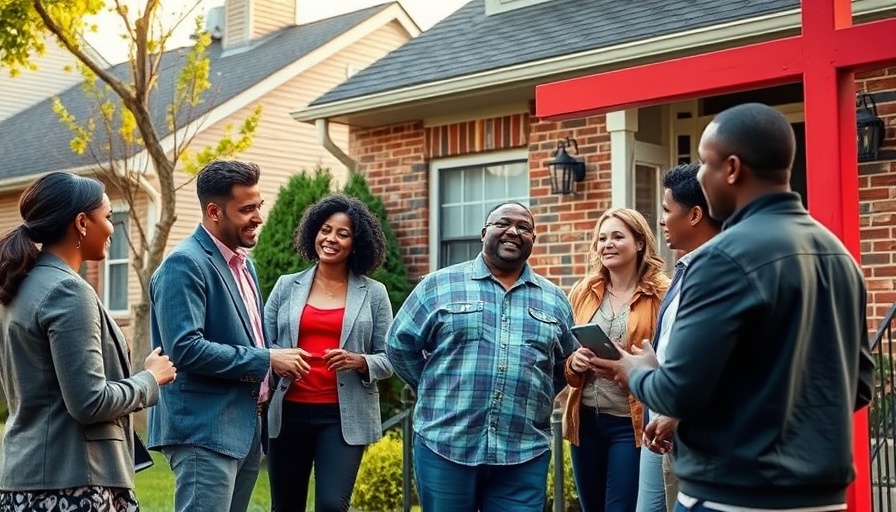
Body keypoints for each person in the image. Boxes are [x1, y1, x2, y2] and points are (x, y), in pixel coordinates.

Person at [592, 103, 875, 511]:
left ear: (732, 168)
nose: (702, 179)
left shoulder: (721, 259)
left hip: (731, 494)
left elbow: (677, 393)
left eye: (705, 164)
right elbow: (859, 386)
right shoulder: (839, 256)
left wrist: (638, 371)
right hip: (822, 498)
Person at [0, 172, 176, 511]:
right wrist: (150, 380)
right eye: (108, 217)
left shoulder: (19, 286)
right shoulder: (68, 291)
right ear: (82, 223)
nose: (113, 228)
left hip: (24, 483)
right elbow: (89, 402)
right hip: (73, 486)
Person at [387, 201, 577, 512]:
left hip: (523, 451)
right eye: (503, 223)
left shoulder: (554, 299)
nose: (513, 231)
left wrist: (534, 397)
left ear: (533, 239)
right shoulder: (439, 285)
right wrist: (434, 387)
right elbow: (399, 344)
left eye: (524, 228)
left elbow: (564, 365)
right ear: (483, 232)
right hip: (445, 444)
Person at [147, 160, 308, 512]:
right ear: (214, 211)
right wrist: (268, 359)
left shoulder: (244, 263)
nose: (258, 217)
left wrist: (273, 359)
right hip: (203, 430)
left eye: (259, 206)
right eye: (246, 209)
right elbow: (185, 350)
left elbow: (247, 336)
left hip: (244, 424)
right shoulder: (184, 264)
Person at [265, 195, 394, 512]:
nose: (331, 239)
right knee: (285, 506)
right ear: (314, 233)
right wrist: (278, 359)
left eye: (342, 233)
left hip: (341, 418)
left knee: (332, 505)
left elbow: (390, 356)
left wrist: (360, 361)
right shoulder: (287, 286)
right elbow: (261, 343)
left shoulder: (373, 293)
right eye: (325, 230)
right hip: (288, 413)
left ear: (356, 242)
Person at [564, 208, 669, 512]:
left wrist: (628, 363)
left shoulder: (662, 292)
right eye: (602, 238)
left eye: (617, 236)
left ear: (639, 243)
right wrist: (575, 362)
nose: (607, 244)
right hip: (586, 421)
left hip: (631, 421)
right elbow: (566, 360)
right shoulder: (584, 291)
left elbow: (671, 358)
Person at [635, 163, 721, 512]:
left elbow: (729, 362)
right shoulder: (683, 272)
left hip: (692, 430)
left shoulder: (721, 275)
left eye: (667, 211)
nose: (661, 220)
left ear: (695, 214)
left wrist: (679, 414)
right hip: (658, 424)